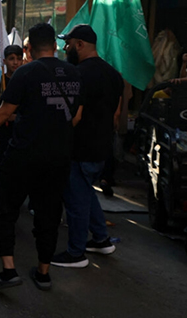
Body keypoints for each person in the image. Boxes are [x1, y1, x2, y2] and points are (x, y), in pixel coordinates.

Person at [0, 23, 83, 292]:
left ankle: (8, 269)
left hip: (23, 155)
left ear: (28, 48)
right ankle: (43, 273)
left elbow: (5, 113)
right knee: (49, 213)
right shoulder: (75, 73)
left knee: (3, 207)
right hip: (59, 157)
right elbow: (75, 117)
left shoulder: (25, 73)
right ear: (55, 45)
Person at [51, 25, 123, 268]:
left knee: (76, 201)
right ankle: (101, 239)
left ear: (80, 44)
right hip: (102, 147)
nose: (65, 47)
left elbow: (76, 116)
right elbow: (115, 112)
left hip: (80, 148)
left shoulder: (78, 74)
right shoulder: (113, 74)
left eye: (69, 43)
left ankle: (76, 252)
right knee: (86, 194)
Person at [0, 45, 24, 159]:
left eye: (19, 58)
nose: (15, 62)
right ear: (4, 61)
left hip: (20, 133)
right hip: (2, 133)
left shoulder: (26, 80)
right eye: (11, 59)